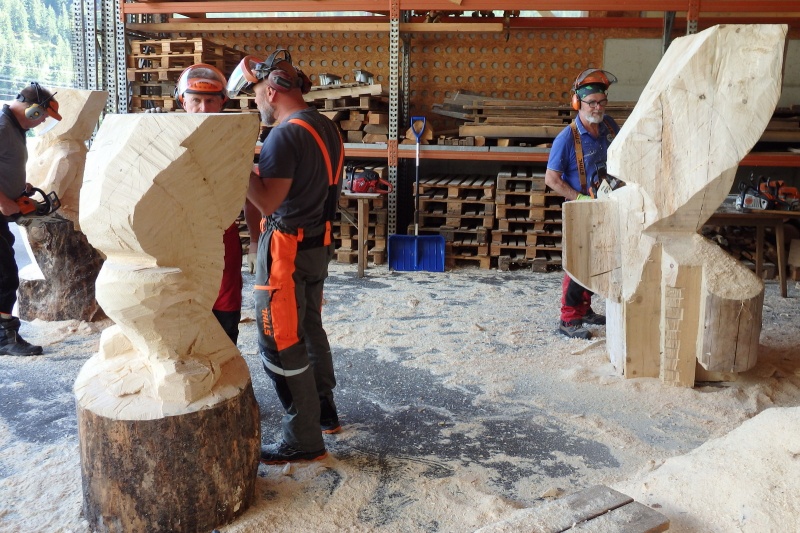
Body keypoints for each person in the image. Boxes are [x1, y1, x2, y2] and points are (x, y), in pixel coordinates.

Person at [227, 49, 344, 464]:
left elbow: (268, 199)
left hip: (286, 251)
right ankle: (324, 411)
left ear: (273, 90)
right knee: (309, 328)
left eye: (257, 92)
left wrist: (236, 164)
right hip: (316, 244)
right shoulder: (323, 126)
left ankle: (303, 437)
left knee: (278, 341)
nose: (256, 100)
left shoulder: (283, 135)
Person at [171, 63, 258, 344]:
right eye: (196, 100)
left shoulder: (233, 140)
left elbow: (251, 193)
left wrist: (255, 241)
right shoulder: (166, 136)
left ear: (223, 101)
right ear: (183, 101)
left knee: (225, 306)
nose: (203, 108)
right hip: (176, 239)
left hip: (221, 238)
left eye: (210, 101)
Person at [544, 69, 620, 340]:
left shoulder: (609, 126)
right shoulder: (567, 138)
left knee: (596, 260)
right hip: (582, 209)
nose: (598, 108)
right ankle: (569, 318)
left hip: (607, 205)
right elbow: (551, 179)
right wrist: (580, 198)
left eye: (602, 102)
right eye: (592, 103)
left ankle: (585, 309)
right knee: (578, 262)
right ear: (578, 103)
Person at [0, 82, 62, 356]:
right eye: (44, 115)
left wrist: (17, 188)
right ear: (33, 110)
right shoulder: (3, 127)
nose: (44, 121)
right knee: (5, 275)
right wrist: (3, 201)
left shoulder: (14, 128)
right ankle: (5, 337)